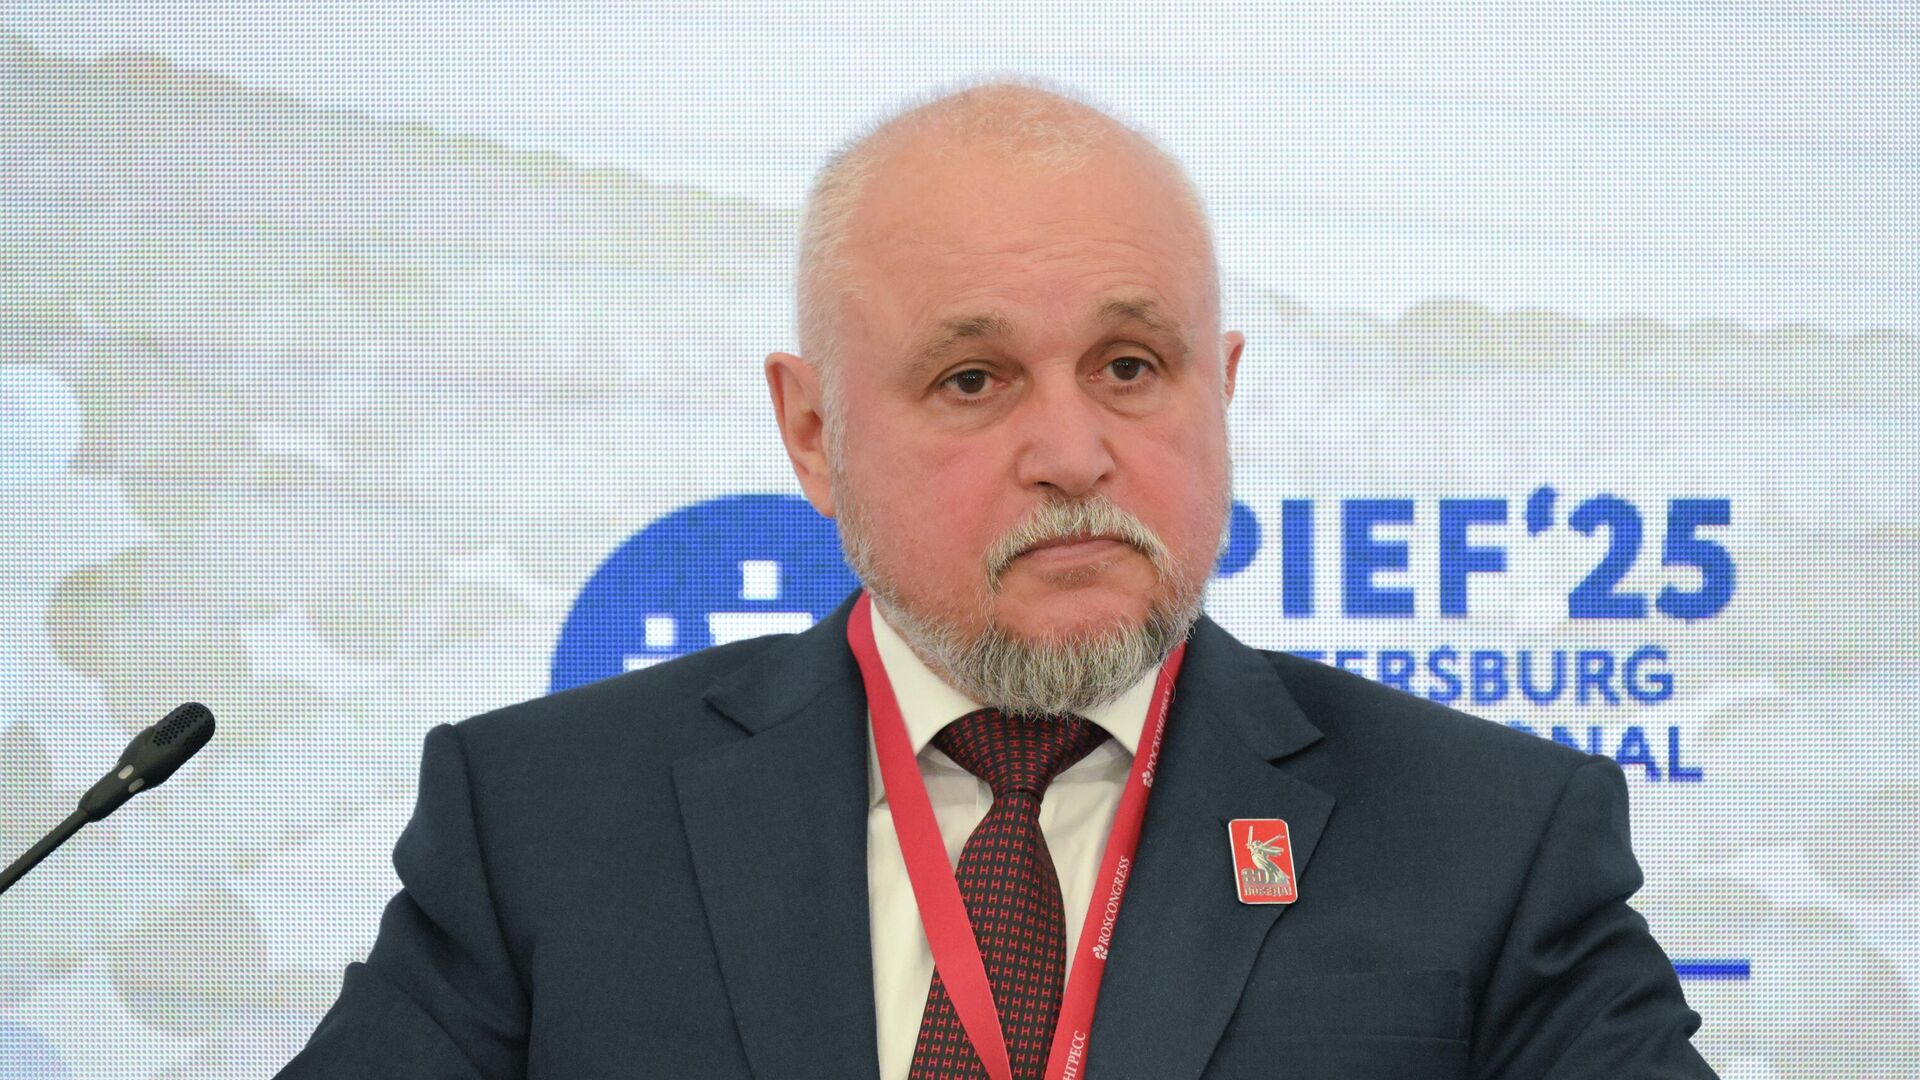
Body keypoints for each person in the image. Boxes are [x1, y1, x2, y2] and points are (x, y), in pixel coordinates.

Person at [278, 79, 1718, 1079]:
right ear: (813, 433)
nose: (1074, 454)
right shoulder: (544, 823)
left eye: (1131, 367)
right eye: (973, 379)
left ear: (1221, 391)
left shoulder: (1490, 839)